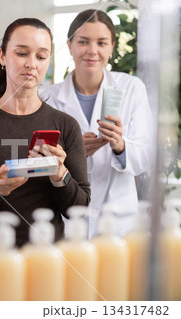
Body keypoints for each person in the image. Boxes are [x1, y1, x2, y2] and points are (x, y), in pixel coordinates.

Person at [0, 18, 90, 301]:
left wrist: (59, 174)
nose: (32, 64)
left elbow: (80, 205)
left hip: (45, 261)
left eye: (41, 55)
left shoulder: (66, 125)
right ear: (2, 56)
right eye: (21, 53)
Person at [42, 9, 153, 238]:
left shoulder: (132, 88)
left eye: (102, 43)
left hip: (119, 224)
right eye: (83, 42)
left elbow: (145, 156)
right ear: (70, 45)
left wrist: (120, 146)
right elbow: (40, 163)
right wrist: (74, 153)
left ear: (112, 46)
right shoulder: (49, 98)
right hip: (68, 221)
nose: (92, 51)